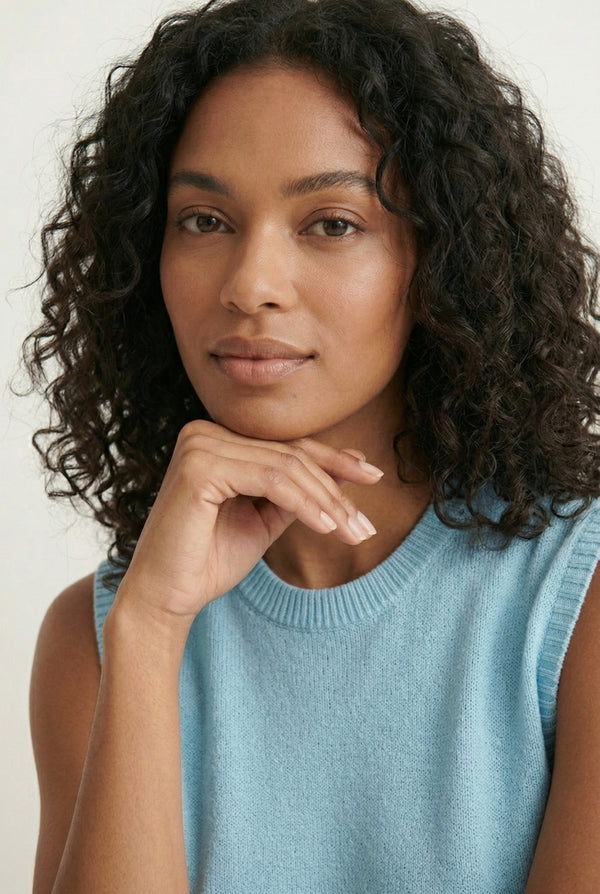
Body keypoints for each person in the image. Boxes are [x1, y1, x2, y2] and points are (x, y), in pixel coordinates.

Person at [24, 0, 600, 891]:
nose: (251, 285)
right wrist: (148, 632)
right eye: (203, 221)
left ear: (442, 257)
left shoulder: (577, 599)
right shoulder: (98, 635)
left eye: (331, 223)